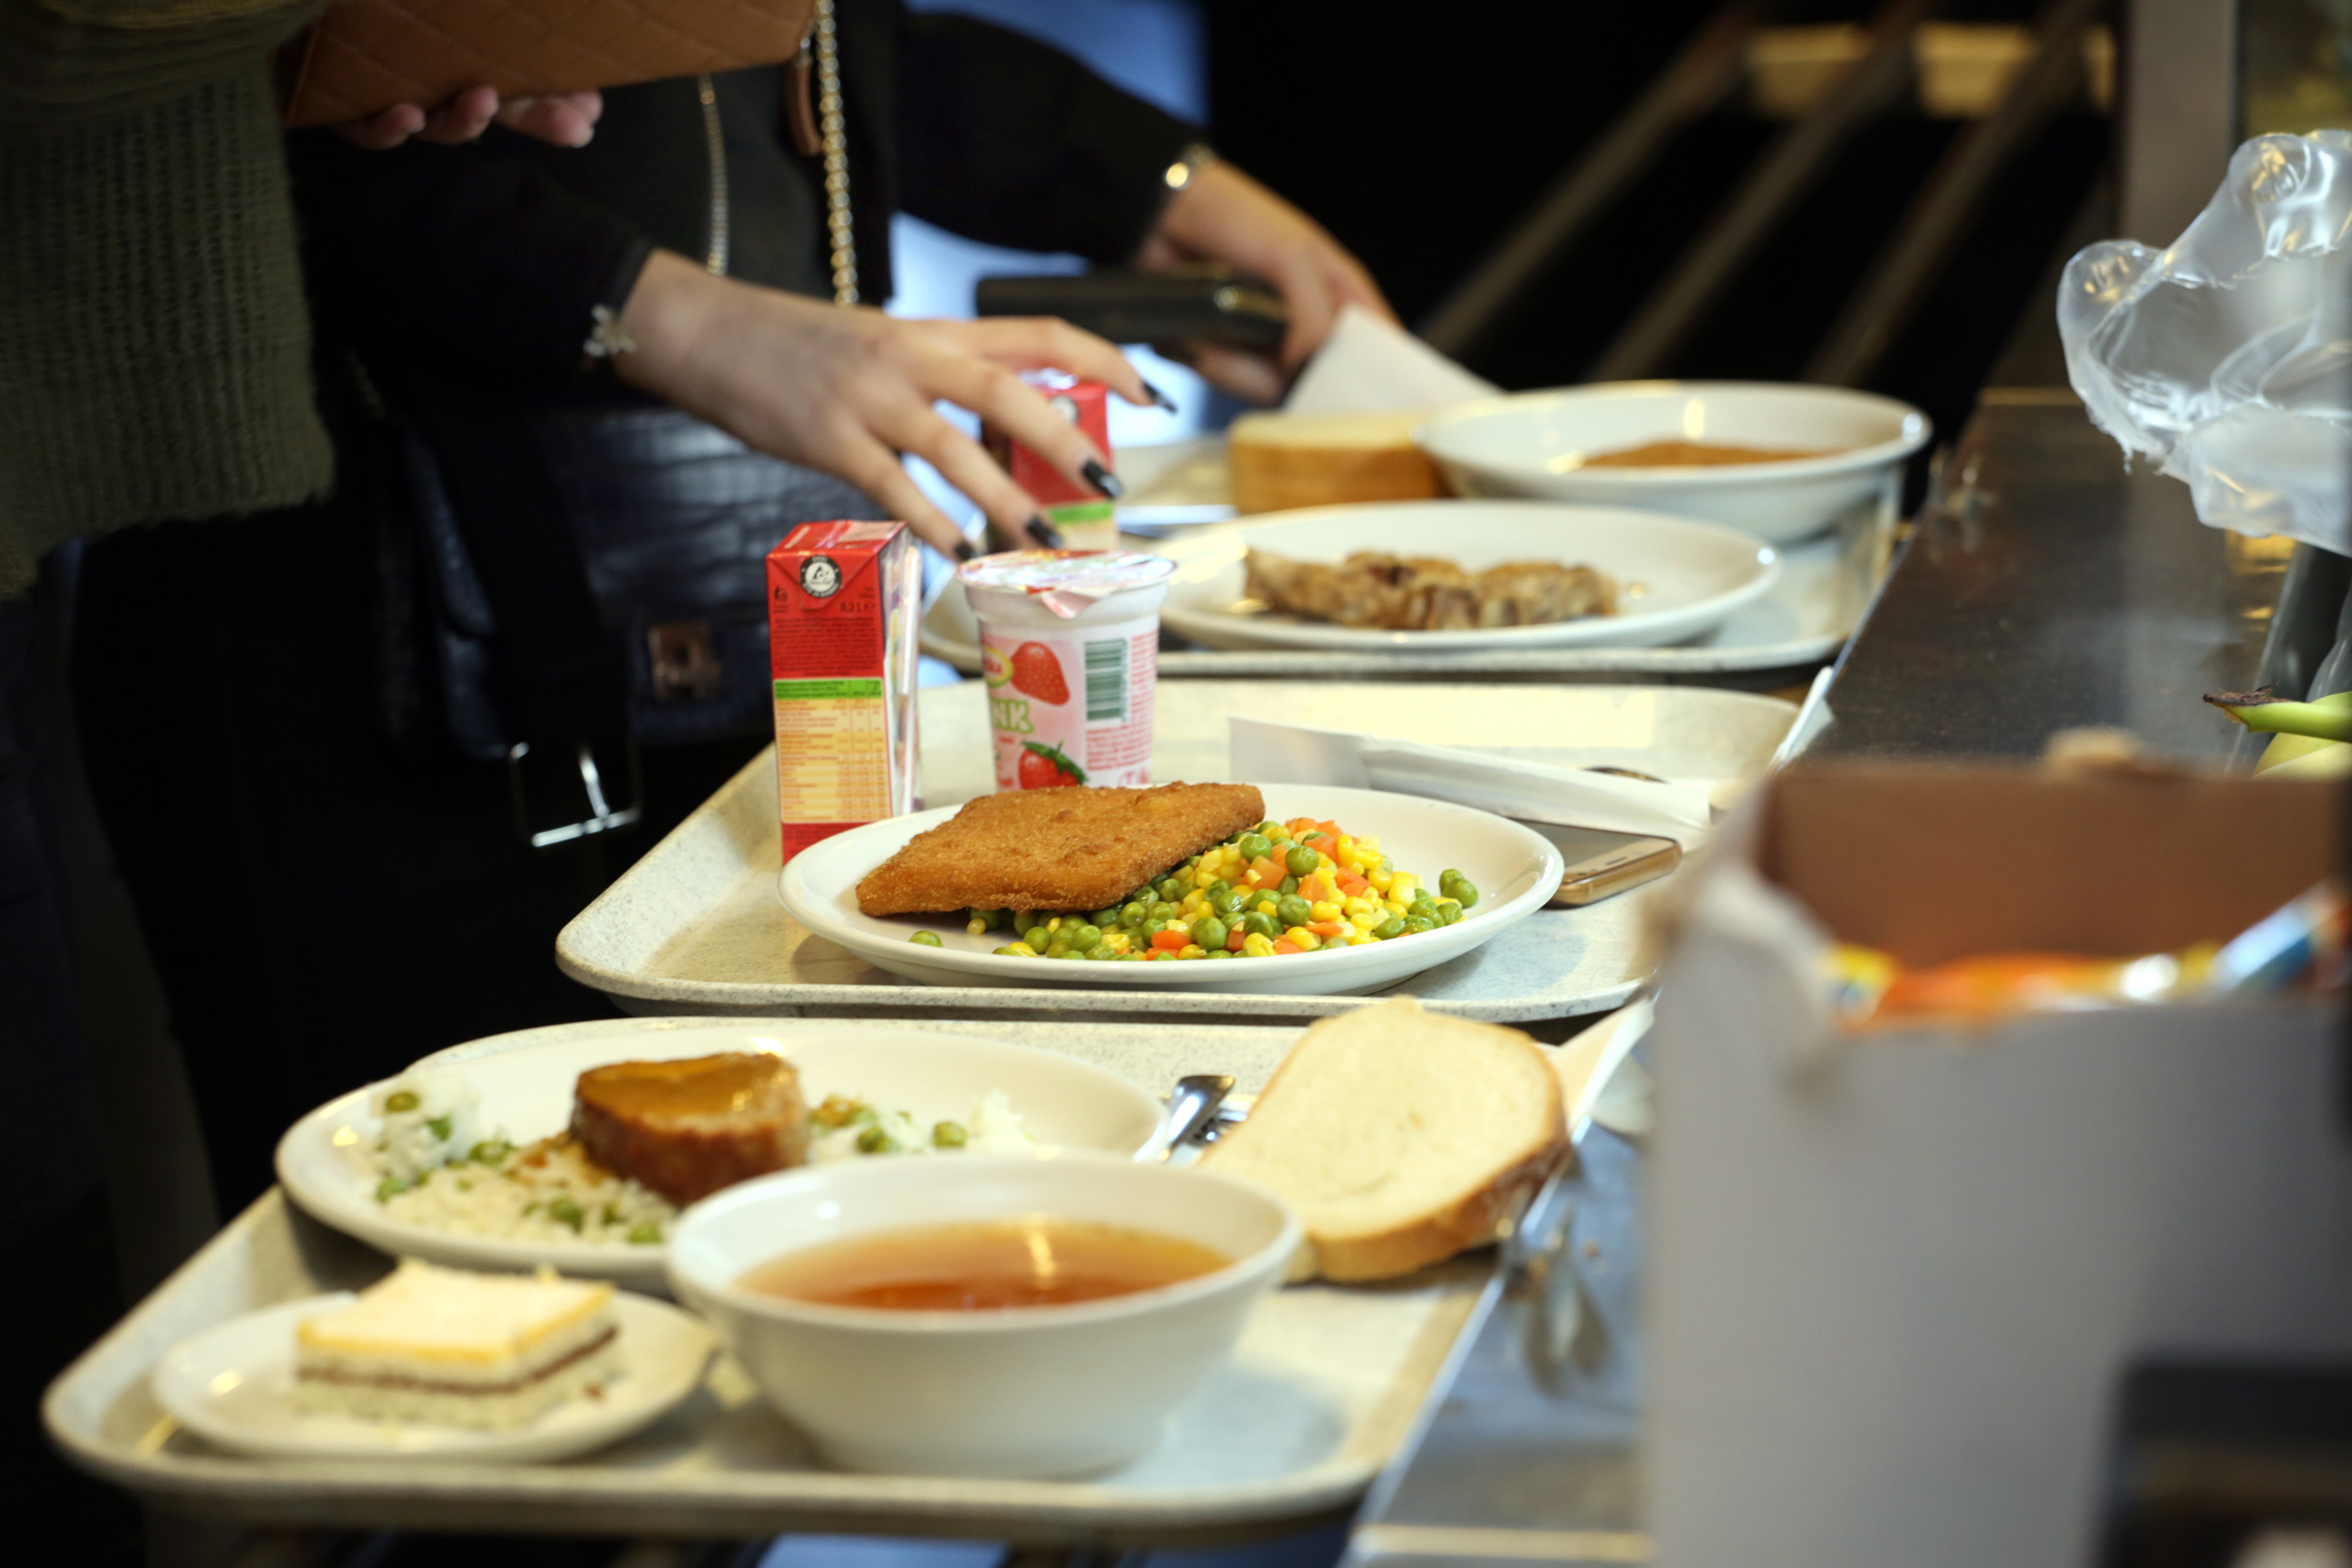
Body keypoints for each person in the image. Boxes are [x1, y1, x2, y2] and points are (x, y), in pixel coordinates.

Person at [68, 0, 1393, 1222]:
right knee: (424, 1217)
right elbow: (178, 96)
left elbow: (828, 35)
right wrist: (665, 315)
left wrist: (1149, 179)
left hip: (747, 618)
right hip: (358, 634)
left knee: (798, 1199)